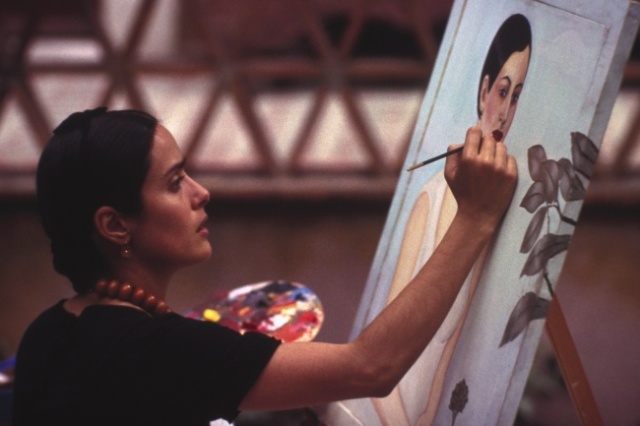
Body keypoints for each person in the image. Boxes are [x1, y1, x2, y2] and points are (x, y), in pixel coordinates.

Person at [12, 104, 517, 425]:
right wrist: (474, 218)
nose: (200, 193)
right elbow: (371, 367)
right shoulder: (156, 350)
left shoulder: (46, 335)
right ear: (114, 225)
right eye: (174, 183)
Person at [371, 14, 532, 425]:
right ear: (483, 91)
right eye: (502, 91)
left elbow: (446, 358)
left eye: (516, 96)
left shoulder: (497, 205)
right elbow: (374, 360)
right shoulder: (430, 199)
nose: (505, 112)